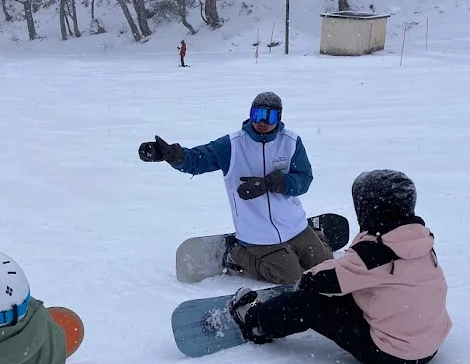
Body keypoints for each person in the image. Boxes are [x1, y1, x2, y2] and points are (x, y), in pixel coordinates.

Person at [229, 170, 451, 364]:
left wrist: (308, 282)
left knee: (310, 303)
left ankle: (256, 322)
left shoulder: (373, 252)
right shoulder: (419, 240)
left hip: (390, 354)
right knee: (353, 291)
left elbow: (317, 282)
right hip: (429, 344)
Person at [138, 91, 331, 284]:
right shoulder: (232, 146)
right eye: (257, 114)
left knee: (328, 269)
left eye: (269, 116)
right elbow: (198, 160)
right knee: (292, 278)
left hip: (295, 226)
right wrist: (174, 156)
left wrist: (274, 182)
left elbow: (304, 179)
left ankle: (314, 241)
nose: (262, 121)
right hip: (259, 234)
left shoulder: (291, 142)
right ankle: (236, 253)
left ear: (279, 117)